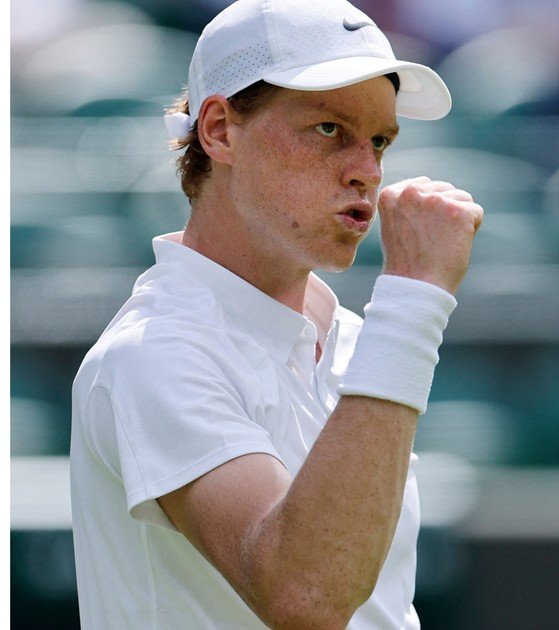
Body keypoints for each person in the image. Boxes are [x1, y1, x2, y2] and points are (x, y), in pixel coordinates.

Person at [68, 0, 483, 627]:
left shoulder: (356, 342)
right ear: (218, 130)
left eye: (379, 141)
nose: (366, 171)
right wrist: (415, 298)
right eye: (328, 129)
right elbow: (307, 598)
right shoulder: (150, 356)